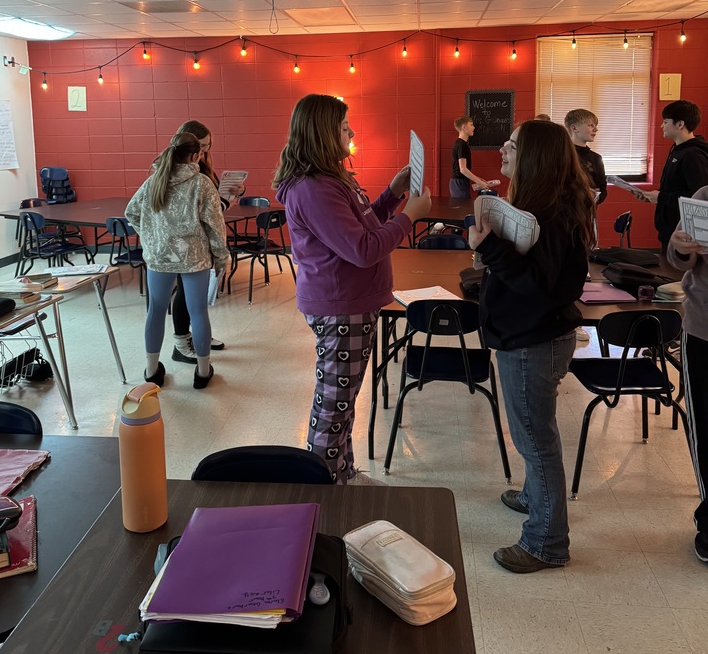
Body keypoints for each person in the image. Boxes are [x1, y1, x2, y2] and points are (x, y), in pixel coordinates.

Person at [273, 94, 431, 484]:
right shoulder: (315, 188)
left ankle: (341, 474)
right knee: (334, 406)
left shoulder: (331, 179)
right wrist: (411, 216)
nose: (352, 132)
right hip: (342, 306)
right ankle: (324, 489)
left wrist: (393, 196)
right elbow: (363, 250)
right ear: (325, 133)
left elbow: (363, 227)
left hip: (349, 302)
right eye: (345, 127)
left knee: (341, 402)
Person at [468, 120, 595, 573]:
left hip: (533, 341)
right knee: (533, 435)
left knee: (536, 441)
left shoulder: (552, 215)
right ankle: (532, 496)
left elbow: (539, 289)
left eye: (512, 144)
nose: (503, 149)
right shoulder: (542, 204)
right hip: (531, 337)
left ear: (535, 156)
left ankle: (546, 541)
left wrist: (491, 251)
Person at [125, 131, 230, 389]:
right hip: (194, 258)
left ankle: (152, 371)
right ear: (196, 155)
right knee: (198, 312)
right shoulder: (202, 184)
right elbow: (216, 226)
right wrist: (221, 256)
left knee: (156, 310)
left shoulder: (153, 182)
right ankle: (203, 373)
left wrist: (152, 238)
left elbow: (131, 212)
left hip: (159, 258)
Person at [169, 119, 243, 363]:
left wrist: (232, 194)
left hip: (202, 242)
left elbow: (212, 209)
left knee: (198, 296)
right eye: (200, 146)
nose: (203, 152)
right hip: (185, 245)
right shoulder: (174, 172)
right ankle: (181, 343)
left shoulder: (203, 169)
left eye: (208, 146)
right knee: (184, 294)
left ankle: (198, 336)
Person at [667, 187, 708, 564]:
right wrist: (682, 247)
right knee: (703, 429)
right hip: (701, 329)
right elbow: (676, 258)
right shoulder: (705, 196)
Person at [635, 100, 708, 251]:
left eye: (665, 121)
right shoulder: (678, 150)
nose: (662, 125)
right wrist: (654, 197)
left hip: (683, 235)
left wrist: (661, 197)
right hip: (670, 229)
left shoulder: (692, 155)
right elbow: (675, 188)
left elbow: (699, 197)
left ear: (680, 124)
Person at [564, 108, 607, 205]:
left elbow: (603, 188)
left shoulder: (596, 158)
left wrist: (596, 197)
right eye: (591, 125)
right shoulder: (562, 155)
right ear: (574, 128)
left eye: (595, 126)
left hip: (589, 214)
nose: (596, 129)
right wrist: (583, 193)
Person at [449, 115, 499, 198]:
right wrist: (479, 182)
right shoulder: (461, 145)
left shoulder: (461, 144)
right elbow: (463, 169)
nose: (474, 127)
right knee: (463, 209)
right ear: (464, 127)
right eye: (471, 125)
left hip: (460, 182)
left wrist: (478, 179)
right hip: (459, 182)